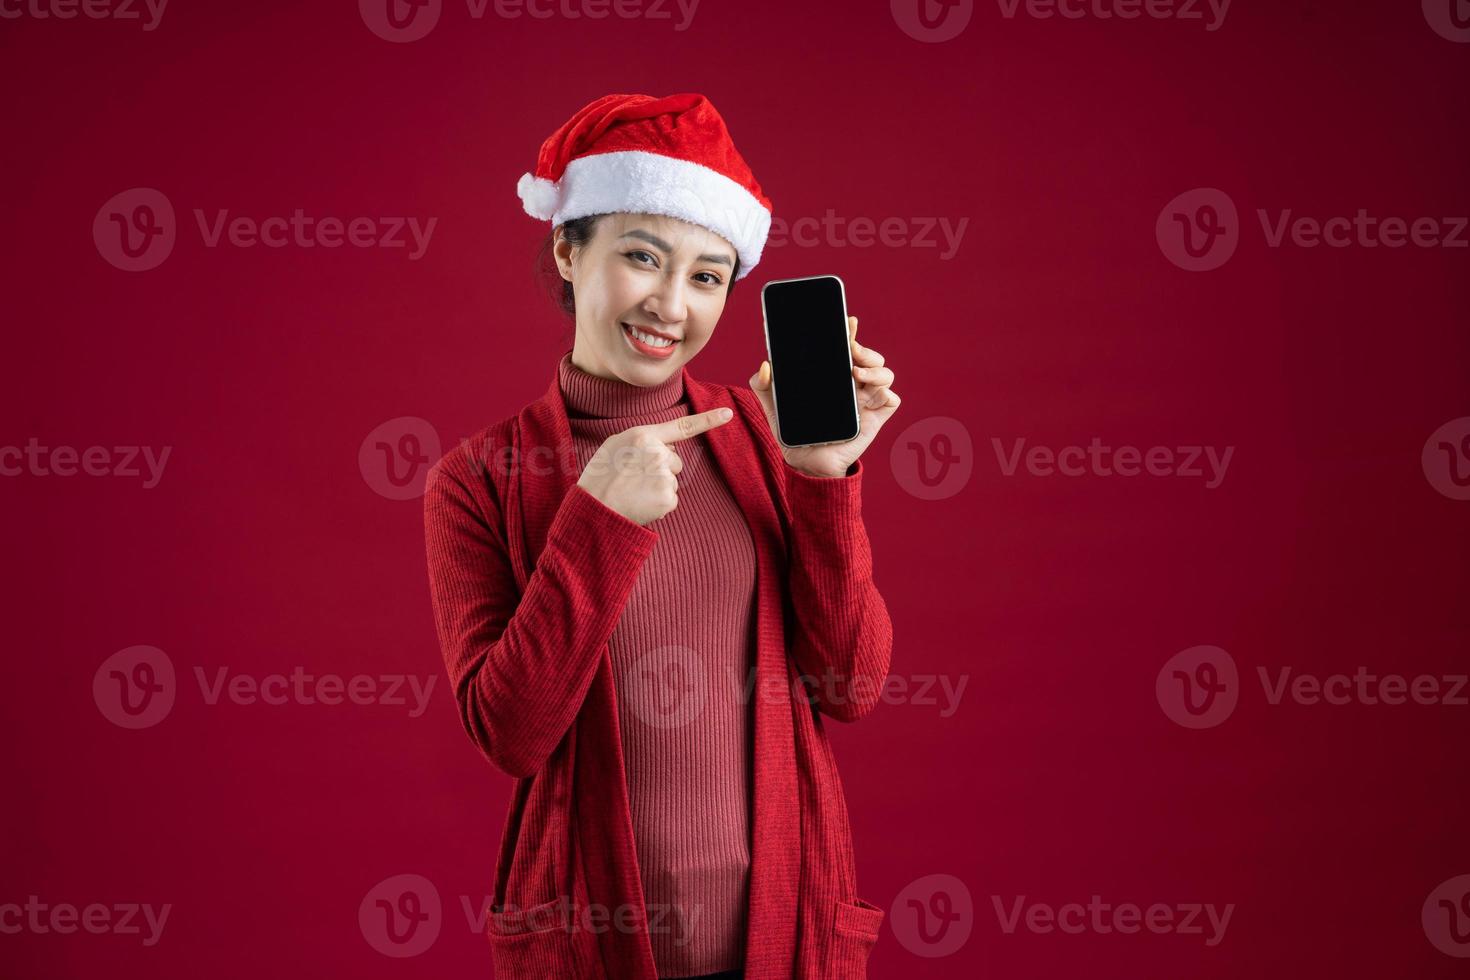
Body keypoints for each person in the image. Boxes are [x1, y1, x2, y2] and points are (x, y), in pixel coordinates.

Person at [424, 92, 901, 979]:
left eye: (708, 276)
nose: (671, 305)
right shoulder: (479, 477)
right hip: (587, 944)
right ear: (569, 249)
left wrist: (825, 478)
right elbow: (511, 734)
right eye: (642, 256)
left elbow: (852, 683)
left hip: (787, 940)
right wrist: (596, 523)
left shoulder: (762, 437)